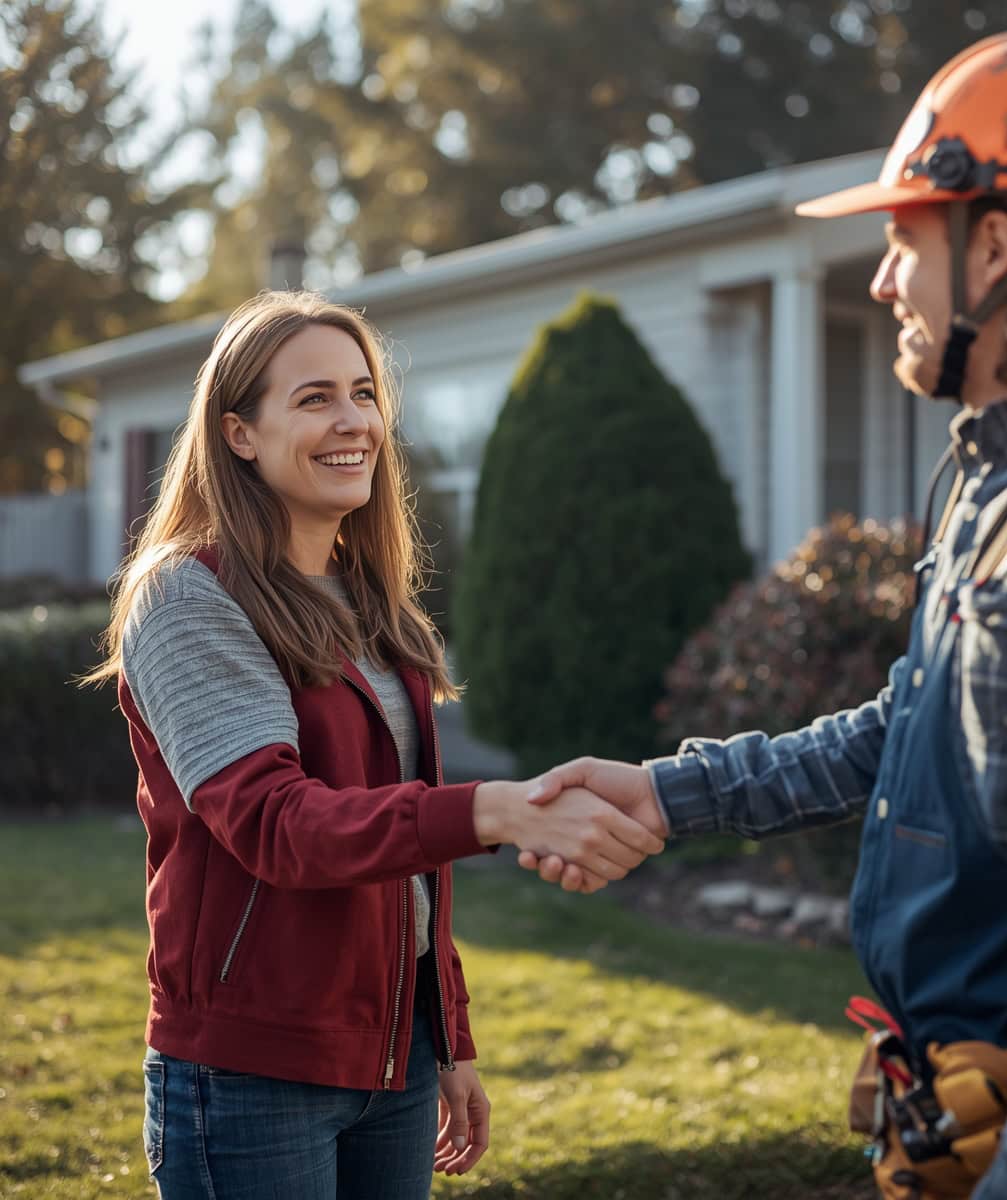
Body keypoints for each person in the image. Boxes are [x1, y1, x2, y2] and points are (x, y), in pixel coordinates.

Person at [520, 28, 1007, 1200]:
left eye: (903, 242)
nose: (884, 282)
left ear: (995, 247)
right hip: (968, 1123)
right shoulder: (997, 487)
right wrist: (669, 794)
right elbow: (905, 732)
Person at [83, 290, 664, 1200]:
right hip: (252, 1072)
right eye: (314, 398)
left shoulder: (367, 600)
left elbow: (405, 861)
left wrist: (447, 1036)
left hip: (394, 1057)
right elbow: (279, 826)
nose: (353, 420)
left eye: (363, 393)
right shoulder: (189, 597)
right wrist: (493, 810)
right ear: (240, 434)